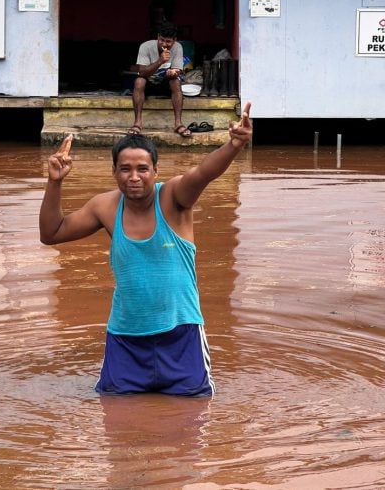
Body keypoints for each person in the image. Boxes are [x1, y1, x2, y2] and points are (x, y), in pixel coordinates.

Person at [39, 102, 252, 397]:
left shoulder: (174, 197)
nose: (134, 177)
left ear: (155, 171)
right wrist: (54, 183)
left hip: (181, 333)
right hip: (126, 337)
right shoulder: (105, 206)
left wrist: (234, 144)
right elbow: (52, 233)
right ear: (114, 171)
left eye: (142, 169)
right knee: (115, 419)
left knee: (192, 417)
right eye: (125, 169)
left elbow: (203, 173)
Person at [128, 23, 191, 138]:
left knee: (176, 82)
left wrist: (173, 73)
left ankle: (178, 124)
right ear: (158, 37)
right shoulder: (145, 46)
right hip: (148, 85)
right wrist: (160, 61)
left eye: (168, 42)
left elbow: (178, 71)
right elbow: (141, 72)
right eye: (161, 40)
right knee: (139, 81)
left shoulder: (177, 47)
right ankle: (137, 123)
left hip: (165, 85)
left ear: (174, 40)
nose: (164, 44)